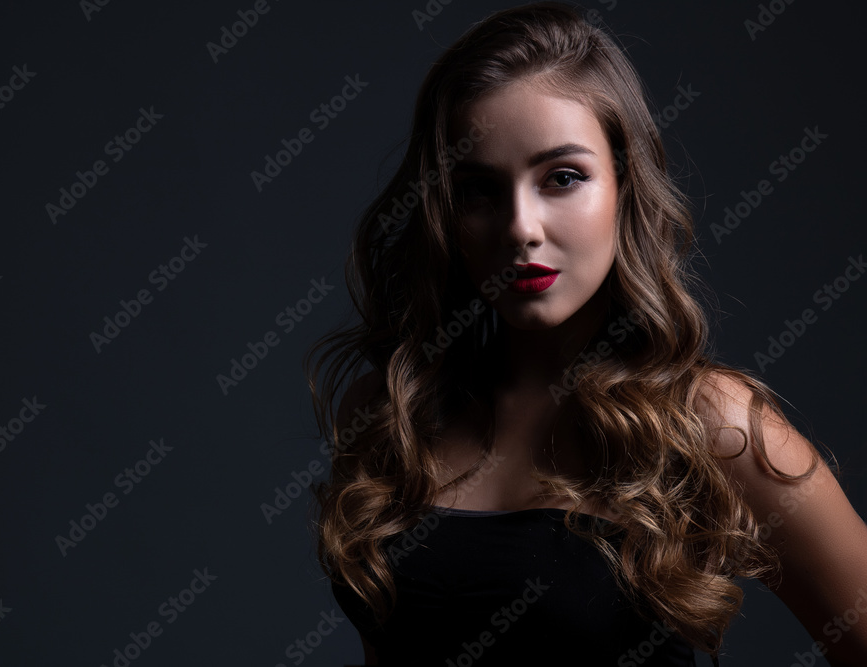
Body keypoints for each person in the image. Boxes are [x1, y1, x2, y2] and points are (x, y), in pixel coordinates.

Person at [302, 3, 867, 665]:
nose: (522, 227)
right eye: (481, 190)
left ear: (624, 186)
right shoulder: (388, 412)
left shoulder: (713, 422)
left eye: (562, 177)